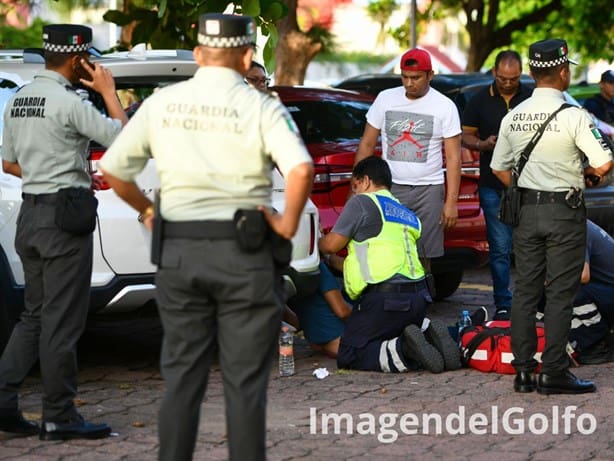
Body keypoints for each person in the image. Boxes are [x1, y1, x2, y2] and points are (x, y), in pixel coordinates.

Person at [99, 13, 314, 461]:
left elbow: (114, 170)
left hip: (180, 253)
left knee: (182, 379)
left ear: (198, 54)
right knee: (244, 384)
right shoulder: (261, 106)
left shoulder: (162, 103)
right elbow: (300, 168)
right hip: (246, 255)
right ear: (247, 54)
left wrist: (148, 210)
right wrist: (287, 224)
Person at [0, 24, 126, 440]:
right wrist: (108, 92)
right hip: (63, 220)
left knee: (34, 316)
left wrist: (45, 169)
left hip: (30, 216)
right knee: (62, 322)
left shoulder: (19, 100)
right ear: (77, 60)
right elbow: (122, 145)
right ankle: (59, 416)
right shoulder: (69, 103)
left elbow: (9, 164)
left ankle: (2, 402)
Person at [491, 38, 612, 395]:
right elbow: (604, 162)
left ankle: (524, 372)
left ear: (530, 72)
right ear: (563, 72)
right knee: (561, 292)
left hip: (525, 212)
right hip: (564, 212)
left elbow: (498, 168)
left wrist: (528, 184)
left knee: (525, 292)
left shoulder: (513, 116)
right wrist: (587, 175)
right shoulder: (575, 116)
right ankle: (554, 372)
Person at [319, 156, 461, 374]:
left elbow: (331, 245)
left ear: (365, 181)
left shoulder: (362, 202)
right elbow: (367, 262)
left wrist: (317, 243)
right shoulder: (405, 213)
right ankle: (428, 337)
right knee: (385, 335)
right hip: (417, 299)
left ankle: (405, 350)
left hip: (385, 300)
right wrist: (330, 262)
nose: (353, 193)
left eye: (354, 186)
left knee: (350, 352)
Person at [354, 47, 461, 288]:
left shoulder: (444, 106)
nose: (409, 83)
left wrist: (451, 202)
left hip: (429, 189)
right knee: (388, 247)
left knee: (425, 254)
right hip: (389, 190)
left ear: (430, 75)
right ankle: (391, 302)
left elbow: (454, 158)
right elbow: (367, 143)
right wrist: (358, 186)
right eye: (405, 77)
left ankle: (421, 306)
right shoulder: (386, 99)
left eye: (416, 78)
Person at [462, 50, 532, 321]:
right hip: (492, 184)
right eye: (503, 78)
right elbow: (465, 136)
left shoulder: (531, 98)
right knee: (500, 247)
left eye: (513, 79)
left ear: (521, 74)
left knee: (529, 246)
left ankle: (530, 302)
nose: (507, 83)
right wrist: (482, 144)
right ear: (494, 72)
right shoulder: (479, 99)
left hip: (528, 184)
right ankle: (503, 302)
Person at [287, 260, 352, 358]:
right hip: (344, 341)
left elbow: (294, 323)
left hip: (320, 344)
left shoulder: (277, 274)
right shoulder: (314, 266)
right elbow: (342, 312)